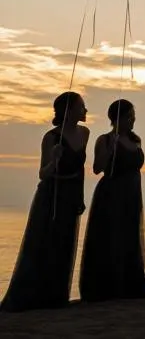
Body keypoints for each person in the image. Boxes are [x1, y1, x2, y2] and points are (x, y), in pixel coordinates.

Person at [1, 92, 90, 312]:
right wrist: (54, 159)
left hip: (71, 194)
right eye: (81, 106)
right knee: (44, 243)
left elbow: (81, 170)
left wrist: (80, 196)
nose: (85, 110)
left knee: (65, 243)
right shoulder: (51, 138)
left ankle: (56, 295)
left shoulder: (85, 133)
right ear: (68, 111)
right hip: (52, 194)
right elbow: (43, 173)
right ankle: (35, 296)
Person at [79, 99, 145, 302]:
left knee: (129, 235)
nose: (133, 121)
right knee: (110, 236)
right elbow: (97, 168)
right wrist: (110, 150)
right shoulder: (104, 140)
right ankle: (108, 286)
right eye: (129, 117)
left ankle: (128, 283)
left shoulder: (136, 140)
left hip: (132, 194)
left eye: (133, 117)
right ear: (117, 118)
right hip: (111, 193)